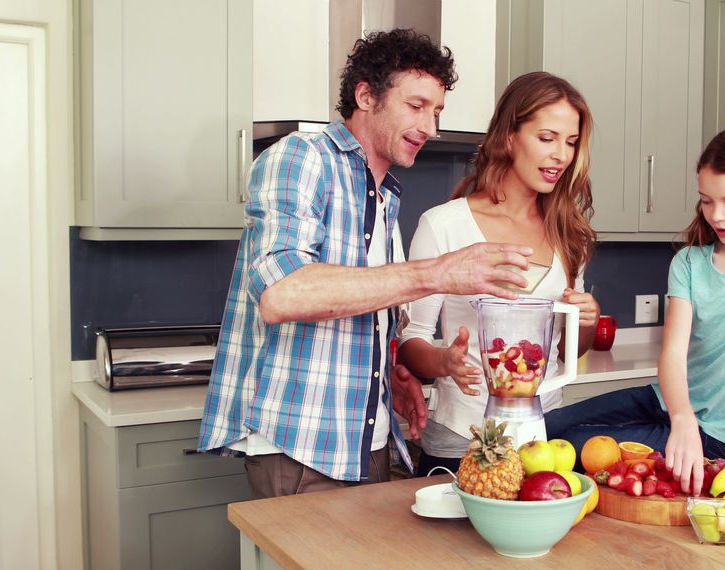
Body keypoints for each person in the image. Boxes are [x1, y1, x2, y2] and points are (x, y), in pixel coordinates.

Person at [197, 29, 536, 499]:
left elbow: (358, 307)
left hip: (368, 443)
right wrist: (437, 273)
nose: (431, 127)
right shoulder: (302, 158)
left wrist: (387, 373)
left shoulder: (383, 197)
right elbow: (282, 293)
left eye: (437, 112)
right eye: (416, 106)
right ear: (365, 96)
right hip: (300, 446)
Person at [545, 124, 725, 495]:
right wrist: (682, 418)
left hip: (716, 438)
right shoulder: (690, 262)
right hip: (669, 402)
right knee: (547, 426)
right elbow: (673, 353)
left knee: (573, 451)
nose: (716, 215)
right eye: (706, 200)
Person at [397, 72, 601, 475]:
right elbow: (409, 341)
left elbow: (564, 353)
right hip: (465, 438)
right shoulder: (444, 225)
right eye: (547, 138)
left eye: (571, 142)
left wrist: (588, 320)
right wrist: (445, 362)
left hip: (545, 440)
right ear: (509, 137)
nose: (561, 154)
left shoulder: (567, 230)